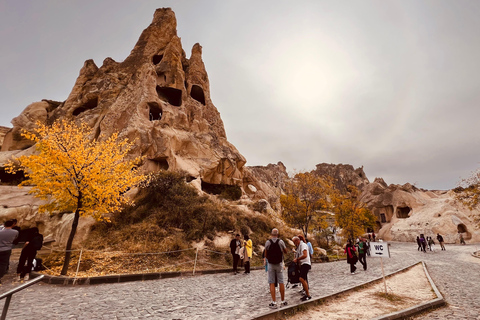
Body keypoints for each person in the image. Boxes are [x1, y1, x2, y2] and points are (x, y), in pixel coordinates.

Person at [264, 228, 288, 308]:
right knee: (281, 282)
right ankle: (283, 300)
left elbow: (266, 253)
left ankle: (274, 302)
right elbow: (285, 251)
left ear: (271, 234)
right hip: (279, 264)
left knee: (271, 282)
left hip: (271, 264)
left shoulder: (268, 242)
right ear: (277, 234)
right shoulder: (281, 242)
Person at [293, 236, 311, 301]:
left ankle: (308, 294)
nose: (294, 244)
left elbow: (305, 255)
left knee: (301, 278)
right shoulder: (299, 247)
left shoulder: (303, 245)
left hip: (306, 263)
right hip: (302, 264)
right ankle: (306, 293)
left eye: (294, 242)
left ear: (297, 241)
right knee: (304, 279)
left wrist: (298, 259)